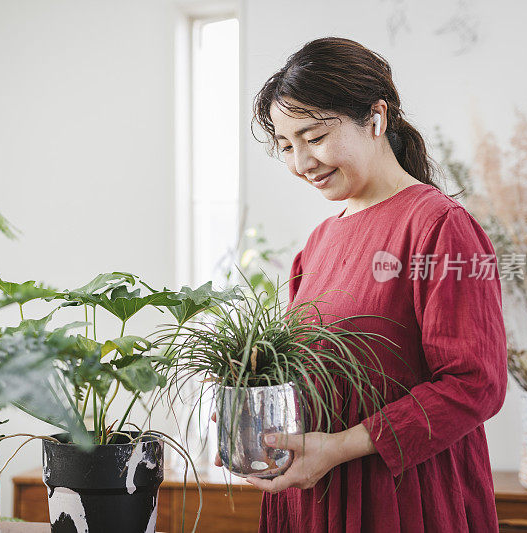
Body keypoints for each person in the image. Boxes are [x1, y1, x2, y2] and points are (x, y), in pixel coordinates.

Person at [214, 37, 508, 532]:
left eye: (314, 137)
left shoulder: (439, 226)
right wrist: (247, 399)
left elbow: (474, 384)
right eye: (286, 146)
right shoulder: (319, 242)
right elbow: (315, 373)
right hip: (312, 497)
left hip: (401, 499)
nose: (301, 162)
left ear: (375, 117)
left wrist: (340, 447)